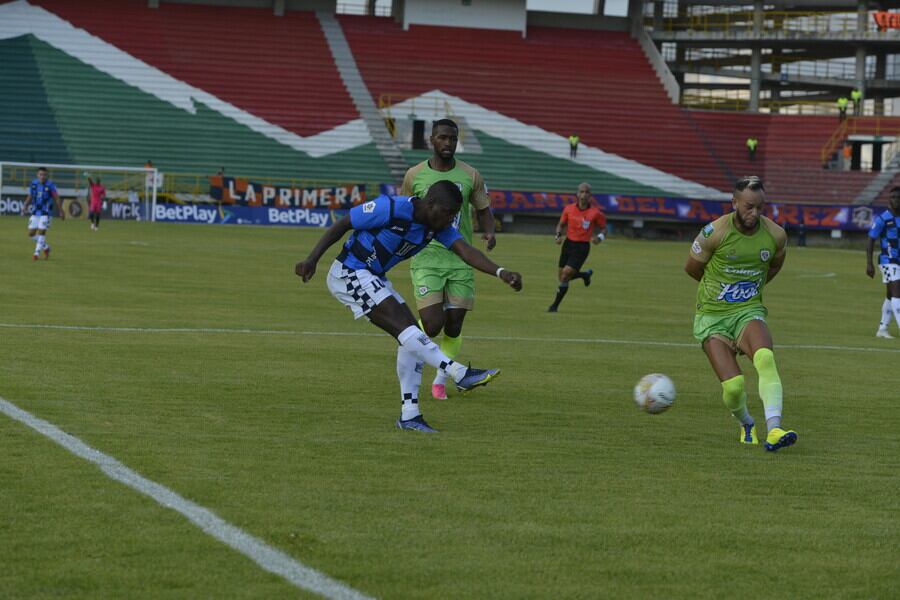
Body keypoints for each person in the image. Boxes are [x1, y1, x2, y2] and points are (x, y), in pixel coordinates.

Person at [294, 181, 522, 433]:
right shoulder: (392, 207)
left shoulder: (436, 227)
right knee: (407, 330)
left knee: (412, 339)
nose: (450, 220)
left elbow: (465, 251)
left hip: (373, 276)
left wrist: (501, 272)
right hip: (349, 272)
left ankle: (410, 415)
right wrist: (312, 259)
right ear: (430, 203)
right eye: (447, 213)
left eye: (454, 215)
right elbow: (344, 222)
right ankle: (458, 373)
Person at [684, 176, 797, 452]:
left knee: (766, 358)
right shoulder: (714, 232)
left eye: (760, 207)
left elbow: (774, 266)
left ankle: (774, 429)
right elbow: (692, 268)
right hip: (712, 317)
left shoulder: (775, 235)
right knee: (733, 388)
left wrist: (747, 294)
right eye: (748, 207)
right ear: (734, 202)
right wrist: (719, 293)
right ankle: (746, 422)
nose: (754, 213)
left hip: (748, 311)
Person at [401, 118, 496, 400]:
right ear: (432, 139)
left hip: (460, 259)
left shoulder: (470, 175)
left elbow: (483, 208)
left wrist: (489, 232)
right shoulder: (414, 175)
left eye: (452, 139)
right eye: (442, 138)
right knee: (432, 325)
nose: (447, 143)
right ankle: (408, 344)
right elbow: (406, 210)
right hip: (426, 256)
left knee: (454, 324)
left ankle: (440, 380)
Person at [548, 182, 606, 313]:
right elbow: (561, 225)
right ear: (577, 193)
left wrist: (599, 238)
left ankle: (554, 306)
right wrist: (557, 236)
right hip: (568, 244)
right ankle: (584, 275)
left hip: (582, 247)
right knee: (561, 276)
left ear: (590, 196)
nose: (584, 195)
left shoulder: (595, 213)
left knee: (565, 275)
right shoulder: (568, 209)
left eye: (587, 192)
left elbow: (604, 229)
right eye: (581, 192)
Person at [867, 186, 900, 339]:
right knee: (897, 293)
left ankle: (882, 329)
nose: (895, 200)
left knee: (890, 295)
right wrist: (869, 263)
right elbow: (871, 239)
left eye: (897, 197)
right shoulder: (883, 219)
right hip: (887, 261)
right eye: (892, 197)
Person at [21, 166, 64, 260]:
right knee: (31, 234)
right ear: (37, 175)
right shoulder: (34, 183)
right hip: (35, 211)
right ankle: (46, 247)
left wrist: (61, 210)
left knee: (42, 232)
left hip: (46, 212)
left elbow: (56, 197)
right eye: (41, 174)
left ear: (47, 175)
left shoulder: (51, 185)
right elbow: (31, 195)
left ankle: (36, 254)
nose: (42, 176)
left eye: (44, 174)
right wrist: (25, 206)